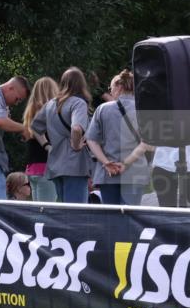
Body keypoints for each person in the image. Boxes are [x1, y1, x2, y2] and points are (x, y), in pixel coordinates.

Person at [86, 70, 151, 206]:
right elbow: (147, 143)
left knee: (111, 218)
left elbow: (91, 140)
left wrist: (106, 163)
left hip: (108, 173)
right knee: (131, 216)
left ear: (119, 87)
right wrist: (125, 164)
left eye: (111, 88)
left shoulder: (102, 109)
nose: (110, 92)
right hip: (135, 172)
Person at [31, 67, 92, 204]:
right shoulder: (78, 103)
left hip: (55, 163)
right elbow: (76, 128)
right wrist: (76, 145)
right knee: (76, 211)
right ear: (81, 83)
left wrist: (47, 146)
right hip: (75, 165)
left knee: (64, 208)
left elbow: (35, 127)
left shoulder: (50, 104)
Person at [21, 77, 59, 202]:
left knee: (38, 209)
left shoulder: (30, 112)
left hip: (32, 168)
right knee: (47, 210)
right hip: (47, 168)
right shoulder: (51, 112)